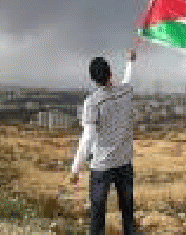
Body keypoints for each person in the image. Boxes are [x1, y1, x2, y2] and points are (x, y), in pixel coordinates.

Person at [69, 48, 136, 235]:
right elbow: (128, 80)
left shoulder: (92, 103)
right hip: (124, 163)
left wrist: (76, 168)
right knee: (128, 210)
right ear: (110, 72)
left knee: (98, 214)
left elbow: (88, 138)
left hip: (102, 167)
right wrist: (130, 61)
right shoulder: (126, 92)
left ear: (93, 79)